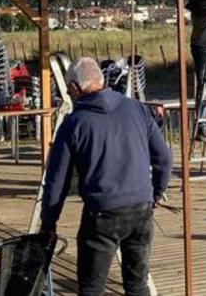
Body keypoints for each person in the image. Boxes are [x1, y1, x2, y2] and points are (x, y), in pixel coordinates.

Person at [39, 57, 173, 296]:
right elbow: (164, 157)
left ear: (73, 89)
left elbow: (56, 181)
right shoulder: (137, 109)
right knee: (137, 285)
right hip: (141, 209)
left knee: (92, 288)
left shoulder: (73, 124)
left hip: (102, 215)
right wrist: (156, 193)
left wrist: (49, 223)